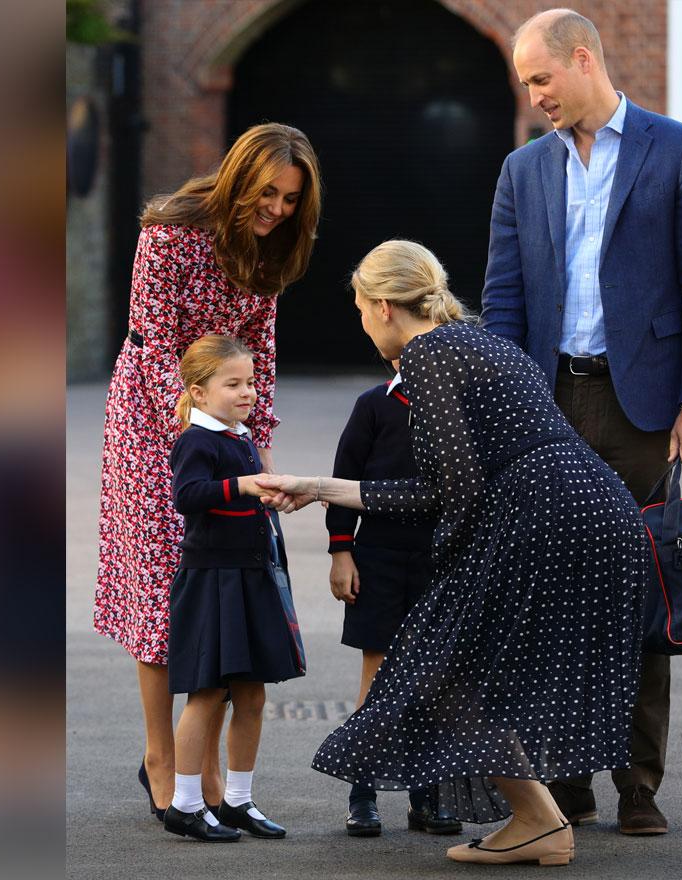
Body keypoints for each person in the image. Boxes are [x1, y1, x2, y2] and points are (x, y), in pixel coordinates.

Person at [258, 240, 646, 866]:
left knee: (445, 667)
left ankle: (539, 821)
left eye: (359, 309)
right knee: (472, 671)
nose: (361, 324)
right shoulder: (480, 339)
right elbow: (452, 482)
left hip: (541, 516)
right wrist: (320, 488)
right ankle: (540, 822)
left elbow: (446, 493)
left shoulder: (428, 355)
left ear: (384, 306)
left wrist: (446, 575)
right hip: (594, 507)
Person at [481, 9, 682, 835]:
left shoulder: (679, 150)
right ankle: (567, 781)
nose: (534, 96)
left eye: (540, 78)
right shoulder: (522, 171)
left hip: (643, 411)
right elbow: (504, 299)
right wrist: (503, 409)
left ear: (582, 60)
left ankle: (639, 786)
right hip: (550, 403)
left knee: (636, 588)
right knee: (551, 594)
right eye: (527, 85)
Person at [92, 123, 322, 821]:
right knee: (168, 590)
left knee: (225, 590)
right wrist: (209, 434)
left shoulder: (273, 246)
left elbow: (262, 351)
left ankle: (208, 769)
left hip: (226, 419)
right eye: (270, 192)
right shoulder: (168, 233)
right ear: (239, 176)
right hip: (153, 416)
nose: (279, 209)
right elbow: (159, 347)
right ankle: (162, 760)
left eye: (291, 199)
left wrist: (262, 445)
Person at [159, 335, 304, 842]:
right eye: (234, 384)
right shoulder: (197, 441)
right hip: (213, 580)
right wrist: (243, 486)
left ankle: (238, 801)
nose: (248, 392)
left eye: (252, 382)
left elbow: (248, 502)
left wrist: (274, 494)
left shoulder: (240, 436)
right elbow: (187, 496)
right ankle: (184, 804)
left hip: (252, 575)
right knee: (207, 693)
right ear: (199, 392)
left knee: (253, 693)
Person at [325, 361, 460, 837]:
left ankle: (426, 796)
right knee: (378, 674)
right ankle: (362, 793)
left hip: (439, 560)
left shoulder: (457, 407)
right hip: (378, 558)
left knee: (432, 679)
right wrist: (341, 550)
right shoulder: (374, 406)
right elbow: (343, 478)